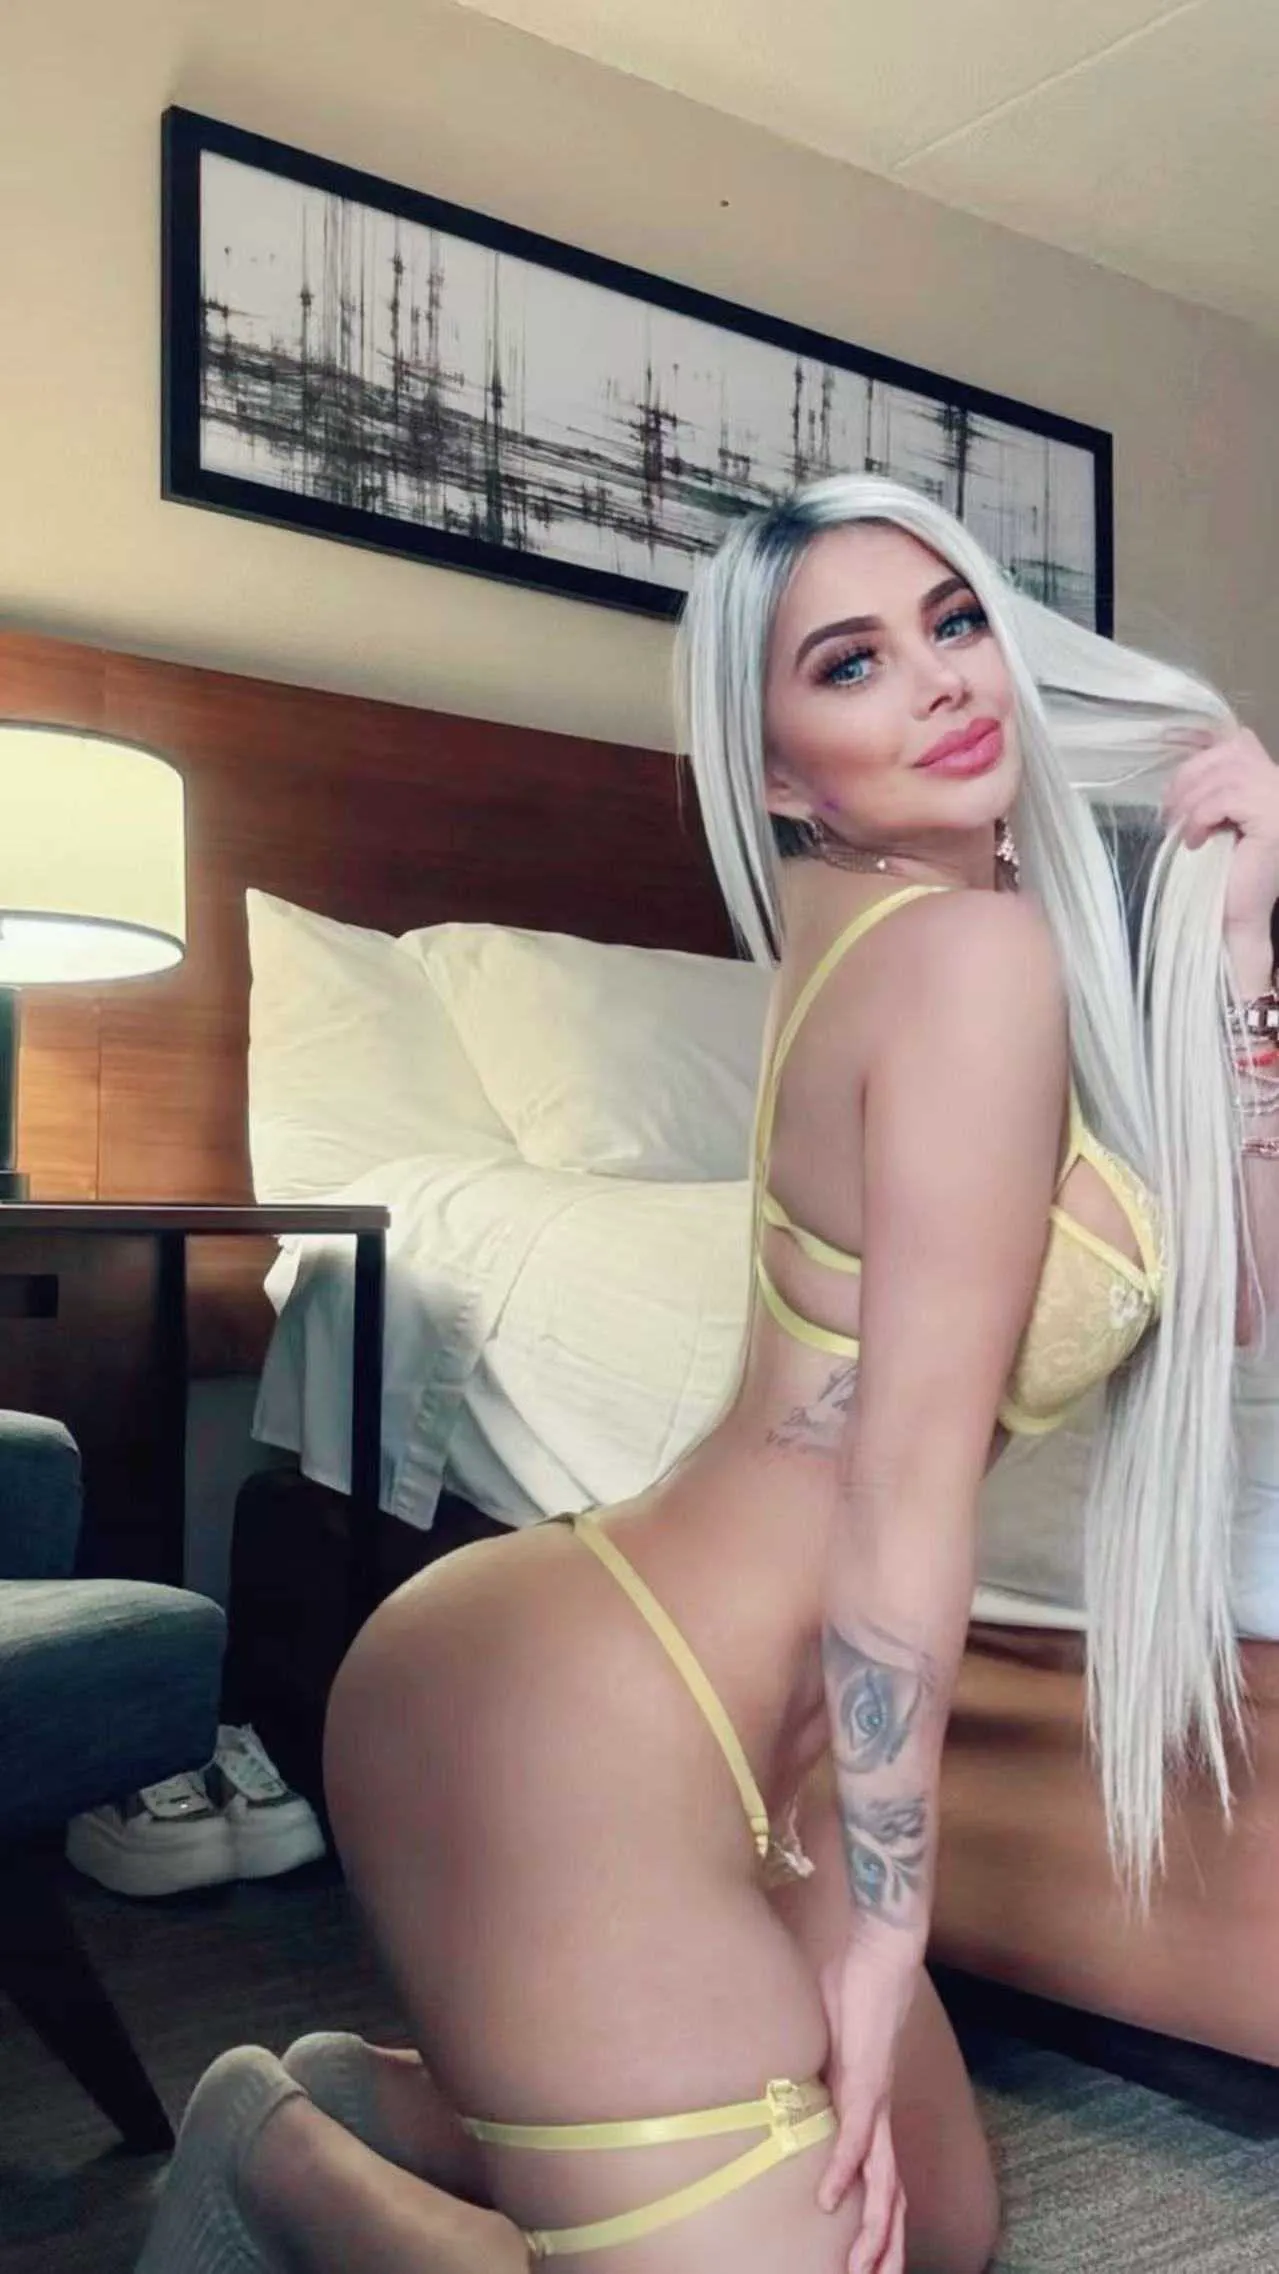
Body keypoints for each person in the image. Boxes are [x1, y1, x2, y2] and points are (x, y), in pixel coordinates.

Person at [137, 475, 1279, 2274]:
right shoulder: (959, 958)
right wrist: (887, 1938)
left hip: (773, 1744)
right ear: (777, 774)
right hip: (578, 1717)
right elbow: (902, 1492)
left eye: (952, 622)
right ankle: (263, 2144)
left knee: (941, 2238)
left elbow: (1231, 1299)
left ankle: (406, 2107)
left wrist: (1236, 952)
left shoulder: (975, 938)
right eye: (849, 661)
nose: (937, 678)